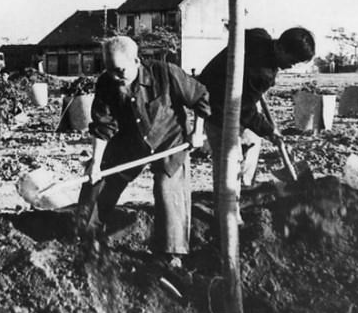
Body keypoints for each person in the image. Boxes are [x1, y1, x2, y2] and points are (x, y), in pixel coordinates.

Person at [76, 35, 209, 266]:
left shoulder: (166, 73)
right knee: (99, 181)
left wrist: (197, 133)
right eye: (109, 70)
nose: (115, 77)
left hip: (169, 141)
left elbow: (200, 98)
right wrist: (96, 164)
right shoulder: (107, 83)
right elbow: (103, 126)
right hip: (129, 141)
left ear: (136, 61)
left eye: (119, 71)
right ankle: (85, 237)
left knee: (168, 191)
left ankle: (169, 256)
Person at [197, 27, 316, 205]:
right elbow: (245, 111)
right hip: (215, 105)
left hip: (234, 97)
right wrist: (269, 131)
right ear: (281, 48)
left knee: (252, 140)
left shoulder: (259, 36)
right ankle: (226, 208)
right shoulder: (262, 73)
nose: (292, 65)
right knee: (228, 160)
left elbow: (242, 32)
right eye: (293, 60)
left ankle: (243, 189)